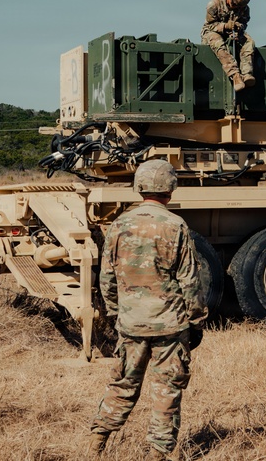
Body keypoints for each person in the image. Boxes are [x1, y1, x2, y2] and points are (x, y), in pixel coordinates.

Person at [90, 159, 208, 460]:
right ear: (171, 189)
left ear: (139, 187)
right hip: (169, 326)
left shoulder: (119, 225)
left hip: (131, 323)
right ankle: (157, 454)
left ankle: (96, 445)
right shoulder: (176, 226)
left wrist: (118, 314)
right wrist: (196, 322)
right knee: (166, 391)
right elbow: (190, 282)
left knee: (122, 383)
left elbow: (107, 278)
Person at [202, 0, 256, 92]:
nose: (236, 8)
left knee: (249, 41)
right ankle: (235, 75)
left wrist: (239, 28)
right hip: (212, 33)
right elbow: (209, 26)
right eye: (235, 5)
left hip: (232, 33)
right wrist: (225, 26)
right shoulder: (214, 5)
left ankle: (246, 73)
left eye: (239, 7)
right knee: (217, 42)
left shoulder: (244, 8)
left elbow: (244, 22)